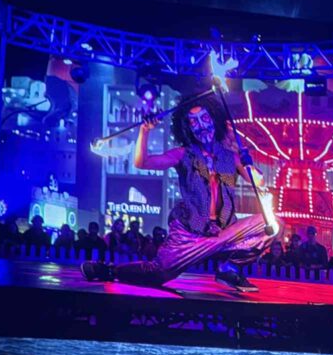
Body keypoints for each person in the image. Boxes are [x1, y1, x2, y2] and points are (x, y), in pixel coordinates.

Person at [82, 90, 278, 291]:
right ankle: (108, 271)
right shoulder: (183, 154)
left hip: (224, 233)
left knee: (271, 224)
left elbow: (259, 182)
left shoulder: (231, 157)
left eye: (205, 119)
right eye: (194, 122)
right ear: (187, 128)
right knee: (157, 272)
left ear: (214, 119)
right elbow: (142, 162)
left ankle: (229, 269)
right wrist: (145, 131)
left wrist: (245, 158)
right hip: (190, 234)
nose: (202, 126)